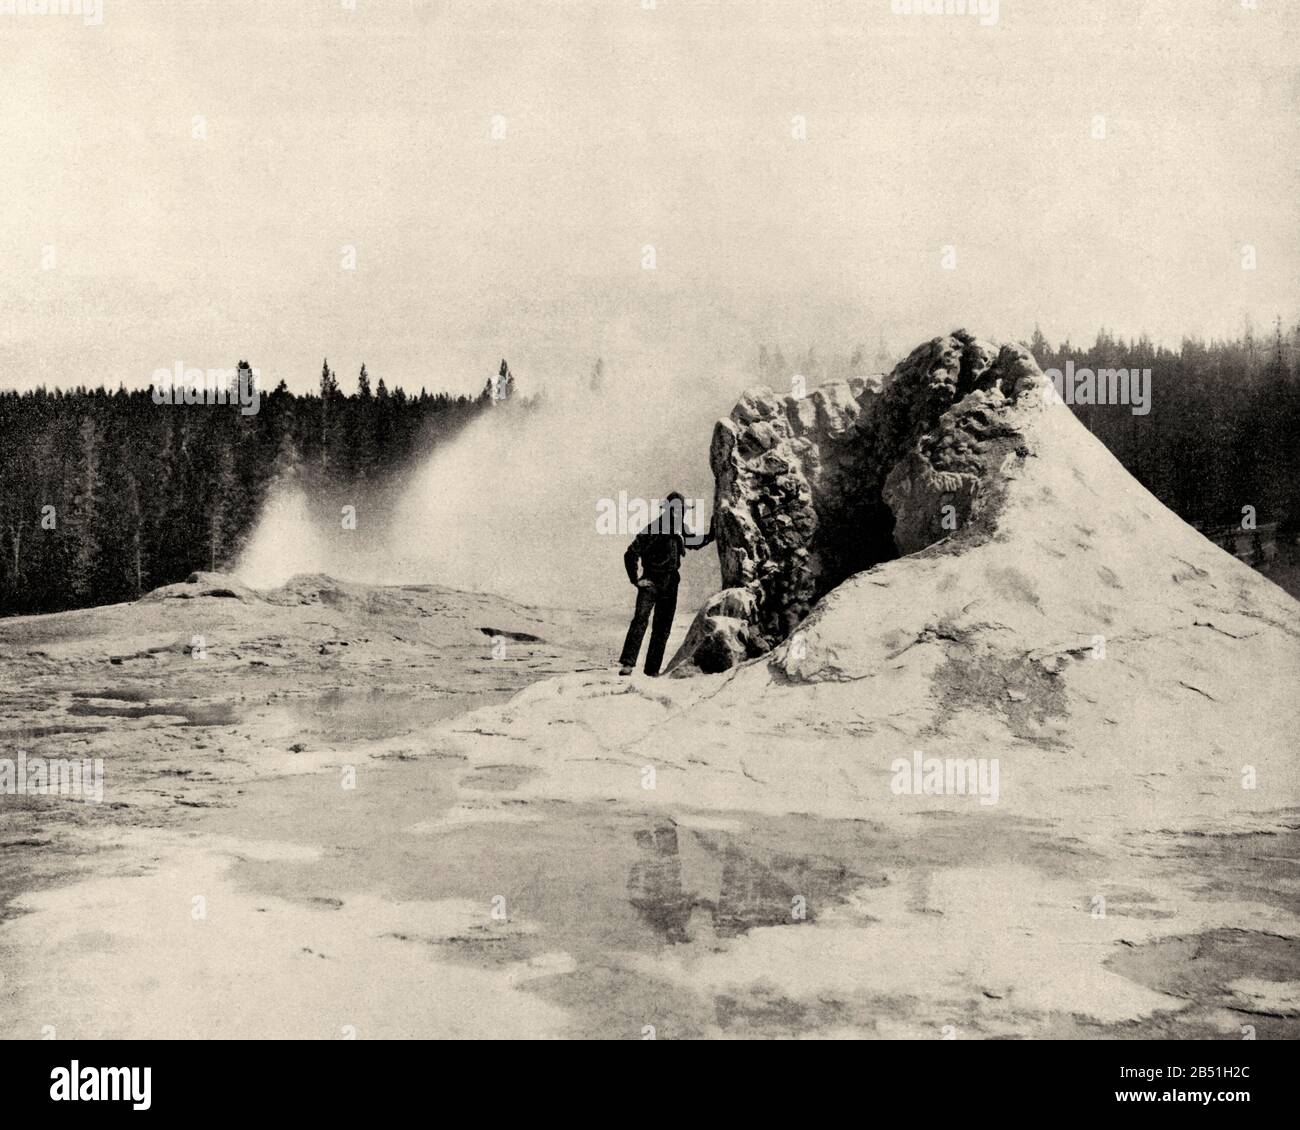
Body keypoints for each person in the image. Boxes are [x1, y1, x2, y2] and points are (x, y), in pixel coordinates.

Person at [618, 492, 714, 677]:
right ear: (669, 510)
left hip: (671, 583)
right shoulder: (655, 527)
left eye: (681, 510)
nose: (679, 513)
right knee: (640, 620)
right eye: (676, 510)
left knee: (663, 627)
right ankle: (627, 665)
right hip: (651, 581)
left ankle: (651, 671)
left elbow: (695, 542)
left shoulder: (681, 528)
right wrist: (636, 580)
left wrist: (713, 532)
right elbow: (631, 552)